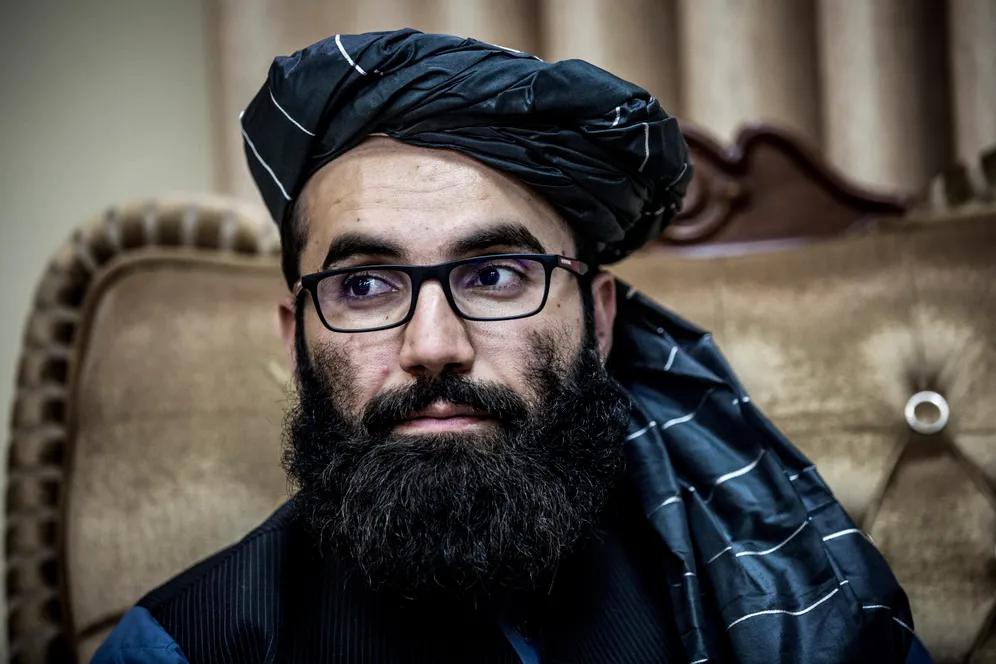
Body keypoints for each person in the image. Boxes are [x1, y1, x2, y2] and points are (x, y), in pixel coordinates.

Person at [94, 29, 932, 664]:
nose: (433, 346)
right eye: (365, 286)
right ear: (295, 340)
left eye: (495, 276)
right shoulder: (183, 645)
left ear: (598, 320)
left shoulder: (740, 580)